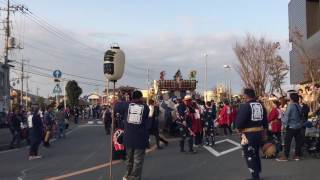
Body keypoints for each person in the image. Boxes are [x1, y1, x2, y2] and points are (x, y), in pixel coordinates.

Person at [235, 88, 268, 180]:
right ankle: (257, 172)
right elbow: (265, 121)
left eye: (243, 95)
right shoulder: (261, 106)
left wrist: (238, 127)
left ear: (246, 96)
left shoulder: (245, 106)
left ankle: (255, 176)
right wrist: (264, 133)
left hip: (249, 134)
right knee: (256, 153)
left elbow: (239, 122)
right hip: (259, 133)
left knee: (249, 154)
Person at [122, 90, 150, 180]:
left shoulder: (126, 105)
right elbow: (146, 118)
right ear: (141, 97)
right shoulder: (145, 107)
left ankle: (127, 175)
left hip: (128, 137)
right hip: (140, 137)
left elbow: (116, 106)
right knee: (138, 160)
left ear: (132, 97)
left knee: (129, 159)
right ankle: (135, 177)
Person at [277, 93, 303, 162]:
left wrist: (282, 117)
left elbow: (286, 117)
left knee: (287, 142)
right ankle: (297, 156)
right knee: (298, 142)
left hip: (291, 126)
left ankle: (285, 156)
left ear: (291, 99)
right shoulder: (299, 106)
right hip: (298, 126)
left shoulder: (290, 106)